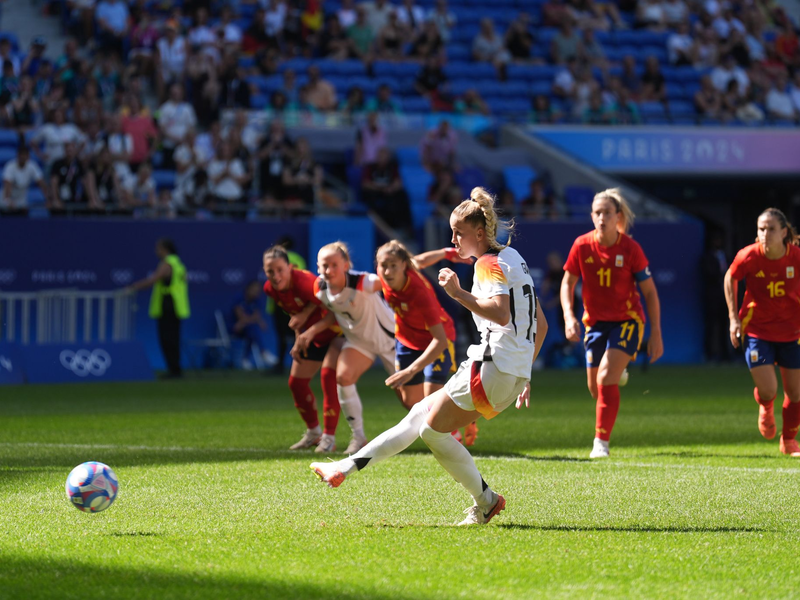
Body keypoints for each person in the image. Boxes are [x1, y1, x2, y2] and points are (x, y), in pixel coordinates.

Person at [310, 188, 548, 526]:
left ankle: (487, 501)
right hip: (508, 372)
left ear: (479, 234)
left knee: (431, 431)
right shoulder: (514, 258)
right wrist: (524, 372)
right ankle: (344, 468)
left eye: (458, 233)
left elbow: (499, 312)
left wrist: (457, 293)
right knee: (419, 415)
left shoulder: (486, 264)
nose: (453, 239)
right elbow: (541, 324)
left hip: (492, 367)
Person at [560, 188, 664, 458]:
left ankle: (600, 444)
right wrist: (569, 317)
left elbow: (650, 292)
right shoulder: (581, 245)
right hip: (594, 323)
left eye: (607, 212)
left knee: (606, 379)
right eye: (597, 212)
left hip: (627, 320)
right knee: (595, 389)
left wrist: (656, 333)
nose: (602, 217)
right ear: (592, 216)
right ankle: (619, 371)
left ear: (618, 216)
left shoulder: (630, 249)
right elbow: (567, 283)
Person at [292, 242, 396, 454]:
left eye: (334, 265)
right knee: (343, 378)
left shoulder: (364, 282)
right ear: (318, 267)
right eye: (324, 265)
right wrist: (310, 332)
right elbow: (335, 311)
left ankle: (450, 430)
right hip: (359, 342)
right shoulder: (320, 288)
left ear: (346, 265)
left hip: (390, 340)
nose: (328, 270)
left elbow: (394, 279)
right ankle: (359, 437)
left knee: (410, 399)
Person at [376, 240, 479, 445]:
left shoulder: (419, 292)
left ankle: (456, 430)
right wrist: (445, 253)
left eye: (393, 265)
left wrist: (411, 370)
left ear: (403, 266)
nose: (387, 271)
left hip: (437, 339)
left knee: (432, 403)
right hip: (406, 340)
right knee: (411, 403)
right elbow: (418, 260)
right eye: (383, 265)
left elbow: (439, 340)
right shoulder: (387, 275)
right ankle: (453, 423)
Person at [724, 208, 800, 457]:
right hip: (758, 331)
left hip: (792, 333)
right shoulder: (748, 256)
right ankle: (765, 404)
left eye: (771, 229)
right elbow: (730, 278)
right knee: (769, 389)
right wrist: (734, 319)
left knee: (796, 393)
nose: (765, 234)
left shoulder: (796, 257)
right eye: (761, 229)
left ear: (784, 232)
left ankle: (788, 440)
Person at [262, 245, 343, 453]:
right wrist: (300, 338)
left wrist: (306, 331)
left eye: (280, 270)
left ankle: (330, 438)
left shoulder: (306, 282)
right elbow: (296, 314)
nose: (276, 275)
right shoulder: (270, 289)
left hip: (338, 333)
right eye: (270, 271)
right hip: (314, 336)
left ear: (291, 267)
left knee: (328, 378)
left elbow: (334, 311)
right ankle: (314, 433)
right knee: (296, 383)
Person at [127, 238, 190, 378]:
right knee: (172, 338)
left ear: (165, 249)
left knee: (167, 339)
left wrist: (133, 287)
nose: (156, 251)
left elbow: (153, 280)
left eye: (158, 248)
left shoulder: (167, 264)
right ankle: (174, 369)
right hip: (177, 307)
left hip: (169, 305)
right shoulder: (179, 264)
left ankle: (174, 370)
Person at [229, 280, 270, 370]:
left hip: (247, 328)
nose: (256, 292)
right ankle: (262, 353)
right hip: (235, 328)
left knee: (252, 331)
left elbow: (256, 316)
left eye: (258, 290)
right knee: (253, 329)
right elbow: (241, 317)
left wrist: (249, 321)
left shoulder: (256, 301)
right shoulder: (239, 298)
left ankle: (245, 359)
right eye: (254, 289)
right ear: (248, 289)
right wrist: (252, 320)